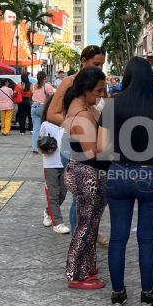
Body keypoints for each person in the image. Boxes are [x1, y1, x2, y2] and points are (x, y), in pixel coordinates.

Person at [97, 57, 153, 306]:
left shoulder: (111, 105)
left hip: (118, 175)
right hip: (150, 176)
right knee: (146, 239)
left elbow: (101, 148)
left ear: (127, 77)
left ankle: (118, 296)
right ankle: (147, 295)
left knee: (118, 238)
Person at [47, 45, 108, 243]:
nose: (99, 68)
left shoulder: (99, 82)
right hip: (74, 145)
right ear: (83, 61)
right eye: (95, 64)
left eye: (102, 64)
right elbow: (51, 114)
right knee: (81, 196)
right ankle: (78, 238)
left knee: (95, 194)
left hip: (96, 144)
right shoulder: (69, 82)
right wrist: (79, 126)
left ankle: (89, 232)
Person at [62, 67, 109, 289]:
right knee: (86, 226)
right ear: (86, 88)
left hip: (83, 170)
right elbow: (93, 150)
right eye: (99, 90)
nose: (102, 94)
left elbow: (105, 120)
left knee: (90, 223)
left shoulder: (83, 106)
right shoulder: (81, 113)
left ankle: (87, 266)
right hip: (86, 173)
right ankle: (75, 274)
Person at [39, 93, 70, 234]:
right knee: (53, 194)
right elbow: (39, 143)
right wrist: (44, 149)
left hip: (66, 163)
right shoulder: (46, 125)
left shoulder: (69, 122)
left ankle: (48, 211)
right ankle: (57, 223)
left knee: (62, 194)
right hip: (50, 164)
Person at [31, 72, 55, 154]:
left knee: (36, 129)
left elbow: (31, 96)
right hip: (43, 108)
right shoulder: (47, 86)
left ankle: (35, 148)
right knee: (46, 127)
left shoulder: (33, 86)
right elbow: (52, 98)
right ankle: (46, 146)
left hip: (34, 106)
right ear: (45, 78)